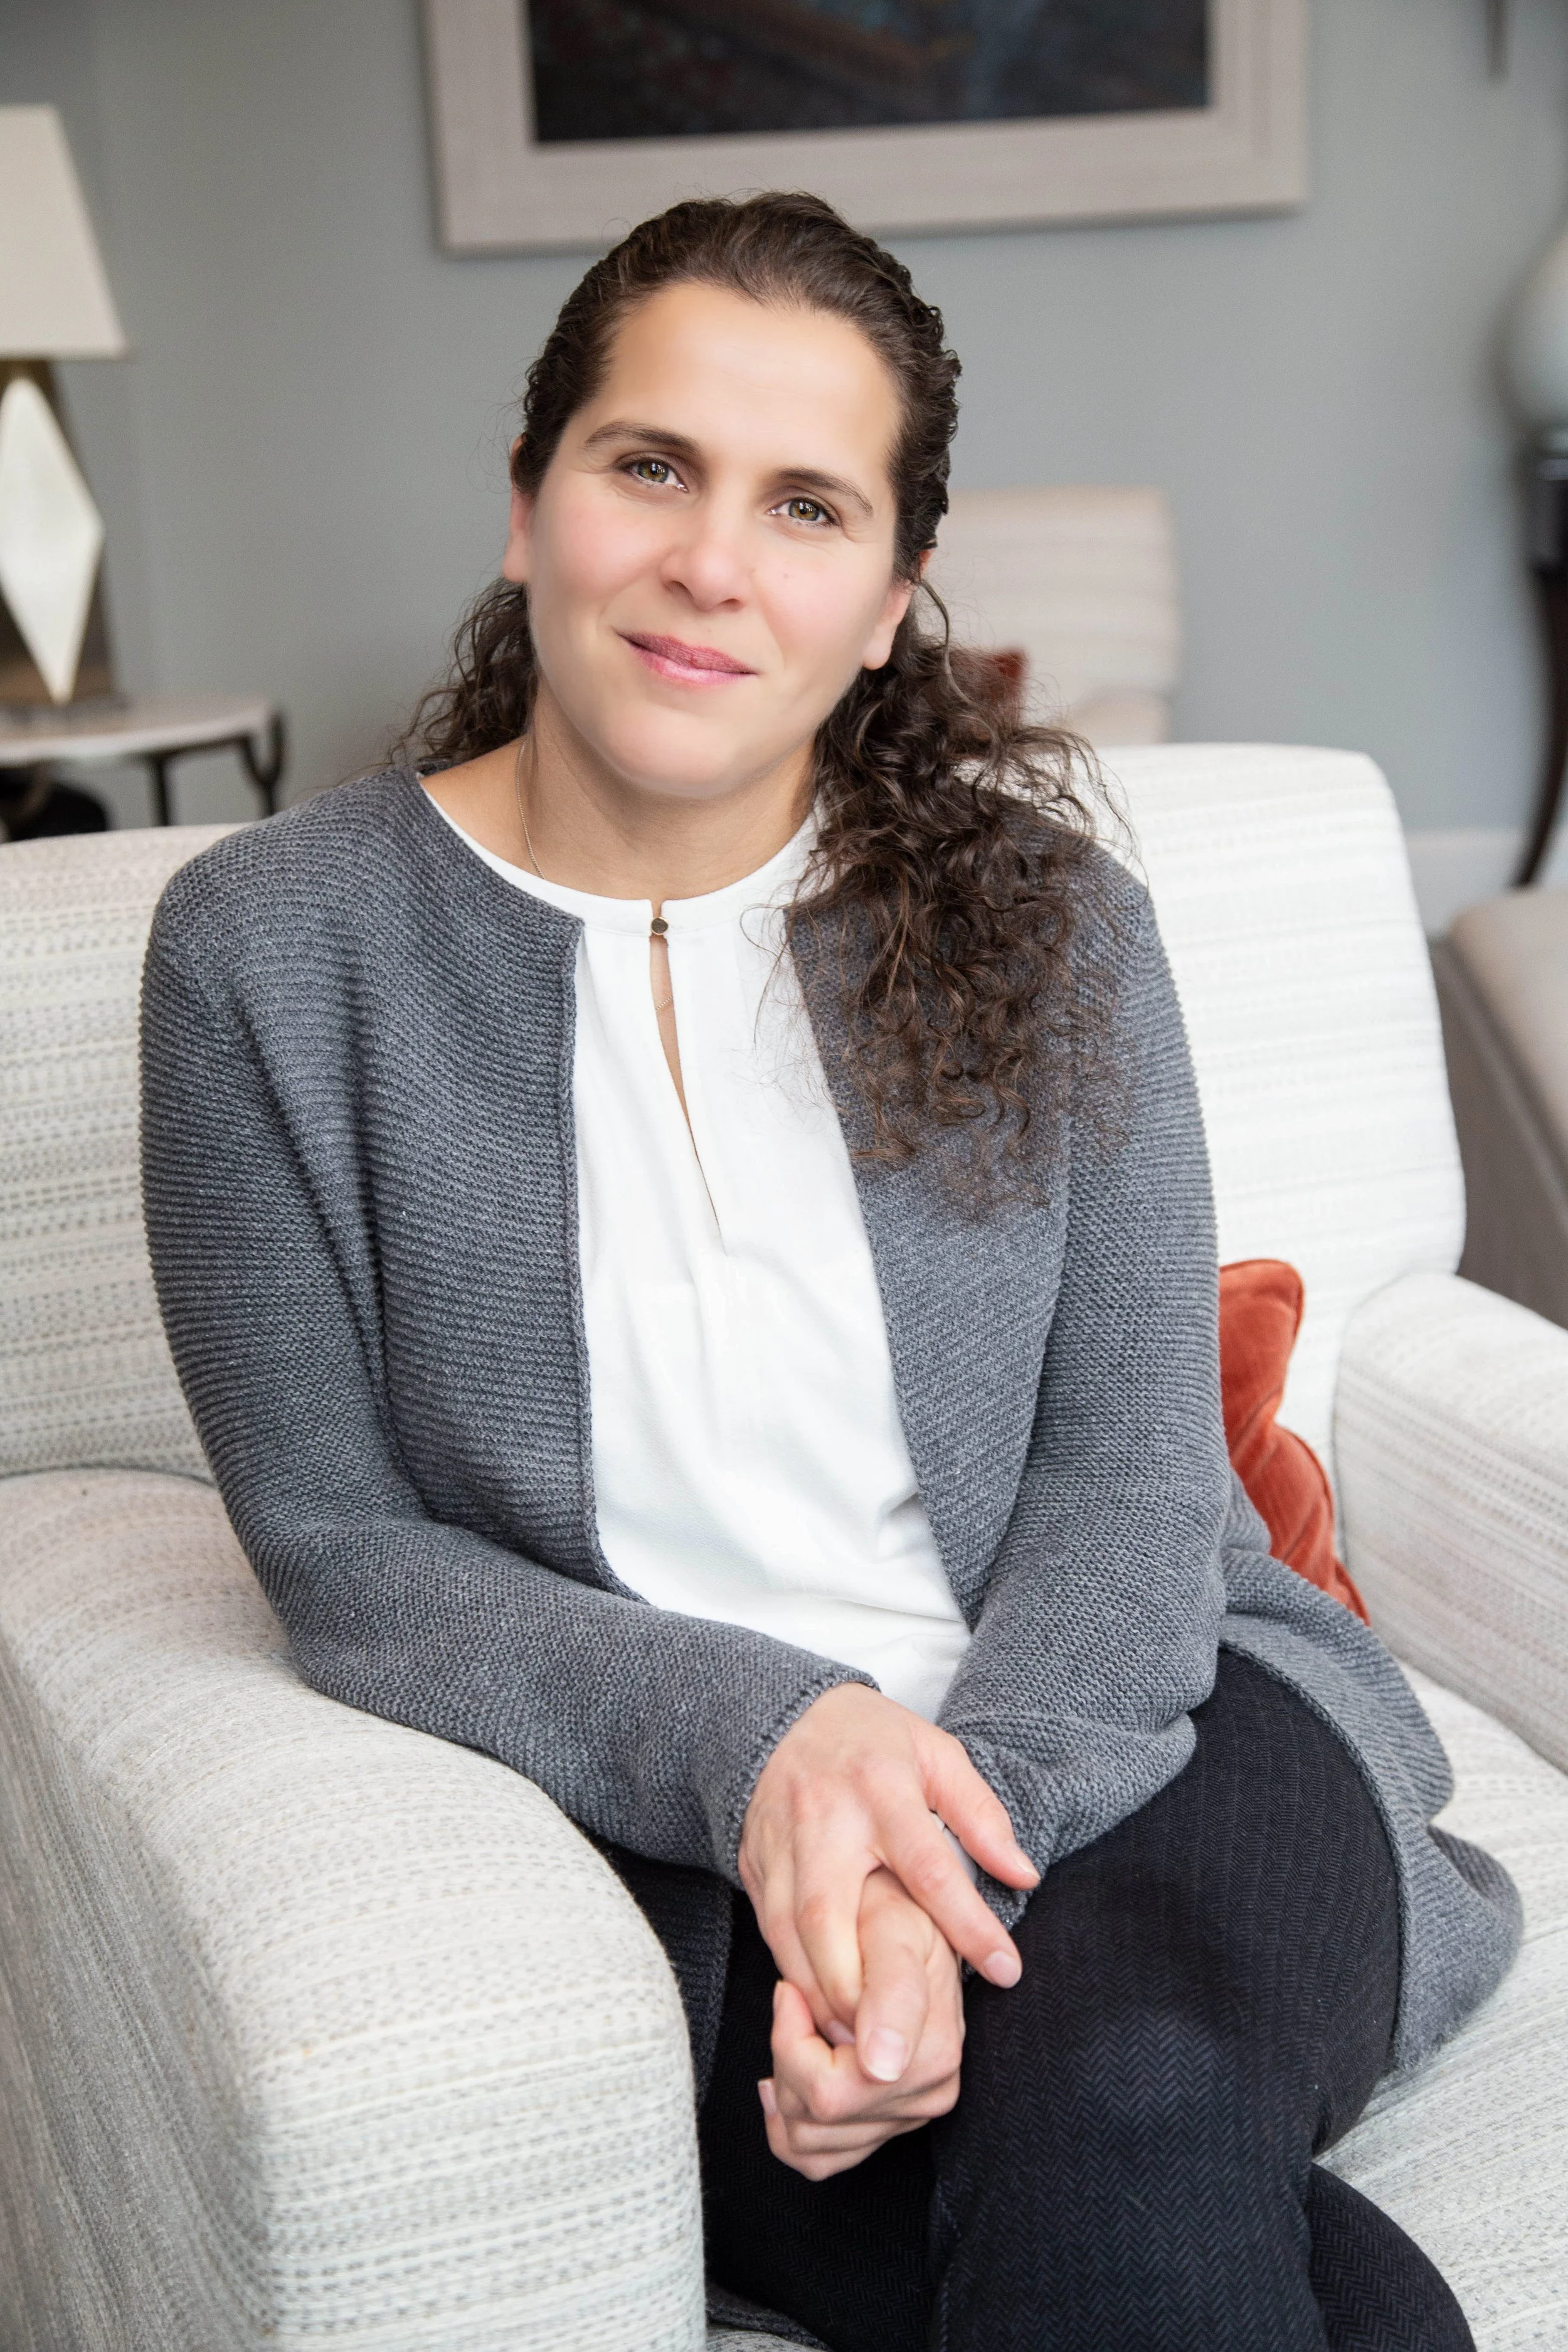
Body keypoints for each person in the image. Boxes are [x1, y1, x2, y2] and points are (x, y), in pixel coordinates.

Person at [140, 193, 1519, 2351]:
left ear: (885, 604)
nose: (713, 562)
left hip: (1152, 1730)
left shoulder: (1054, 927)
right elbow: (340, 1551)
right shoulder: (269, 953)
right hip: (679, 1844)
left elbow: (1131, 1488)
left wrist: (930, 1857)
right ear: (527, 506)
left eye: (806, 505)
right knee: (1245, 2242)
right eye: (649, 464)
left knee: (1136, 2088)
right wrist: (772, 1741)